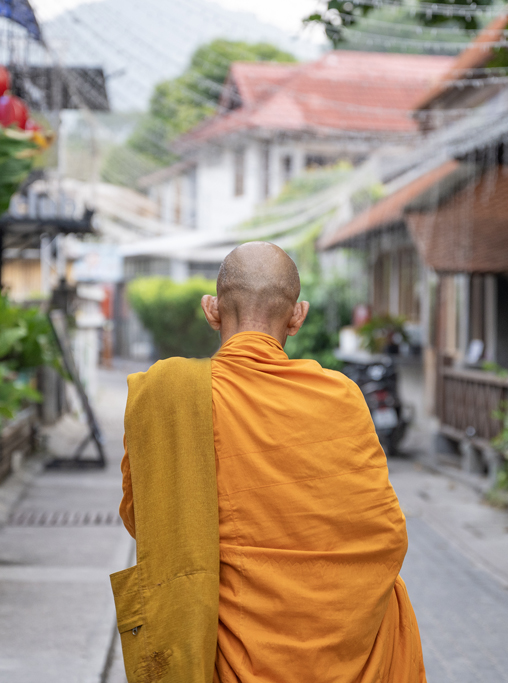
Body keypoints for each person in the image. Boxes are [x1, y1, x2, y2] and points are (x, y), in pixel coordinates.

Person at [117, 242, 425, 682]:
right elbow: (384, 535)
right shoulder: (339, 397)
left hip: (225, 656)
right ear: (297, 316)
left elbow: (143, 519)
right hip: (349, 658)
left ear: (211, 310)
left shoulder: (168, 397)